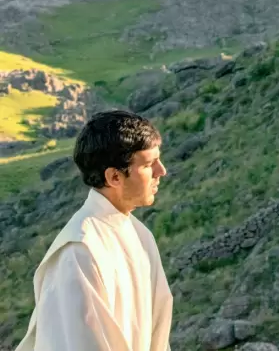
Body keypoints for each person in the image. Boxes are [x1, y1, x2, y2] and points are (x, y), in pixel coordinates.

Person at [16, 110, 173, 351]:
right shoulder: (79, 252)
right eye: (149, 164)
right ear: (114, 177)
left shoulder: (141, 235)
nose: (161, 171)